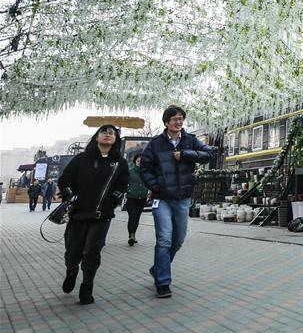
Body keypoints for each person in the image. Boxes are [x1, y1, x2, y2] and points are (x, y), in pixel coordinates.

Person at [141, 106, 212, 299]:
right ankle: (163, 282)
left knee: (178, 240)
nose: (178, 122)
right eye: (174, 119)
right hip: (161, 198)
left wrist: (187, 154)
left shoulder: (190, 140)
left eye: (181, 119)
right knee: (164, 238)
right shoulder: (156, 144)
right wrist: (156, 186)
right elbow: (144, 168)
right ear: (166, 122)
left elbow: (209, 154)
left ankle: (157, 269)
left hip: (182, 198)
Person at [57, 125, 129, 305]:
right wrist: (69, 195)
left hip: (101, 215)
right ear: (96, 137)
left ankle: (87, 286)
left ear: (116, 140)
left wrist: (113, 200)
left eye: (112, 133)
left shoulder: (119, 162)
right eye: (104, 132)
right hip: (78, 214)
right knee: (73, 252)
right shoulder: (81, 159)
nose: (108, 135)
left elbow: (123, 184)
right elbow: (64, 180)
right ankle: (71, 271)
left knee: (92, 252)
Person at [124, 152, 149, 246]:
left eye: (142, 161)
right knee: (132, 216)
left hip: (142, 198)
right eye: (138, 161)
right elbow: (124, 182)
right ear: (135, 161)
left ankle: (133, 235)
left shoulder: (146, 173)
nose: (140, 163)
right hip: (131, 198)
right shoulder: (130, 171)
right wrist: (128, 190)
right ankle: (131, 235)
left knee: (137, 217)